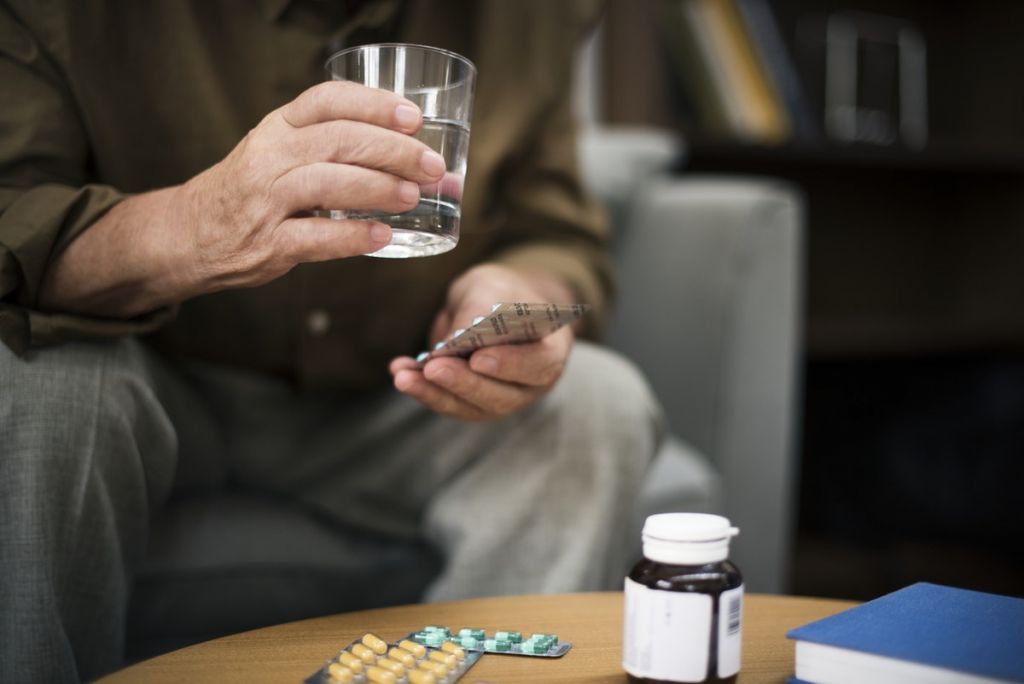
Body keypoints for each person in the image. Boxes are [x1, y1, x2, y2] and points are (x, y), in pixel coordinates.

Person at [0, 0, 662, 680]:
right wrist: (192, 226)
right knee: (38, 380)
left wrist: (514, 291)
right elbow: (10, 210)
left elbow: (554, 230)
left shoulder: (534, 15)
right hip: (152, 386)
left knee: (599, 401)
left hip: (399, 396)